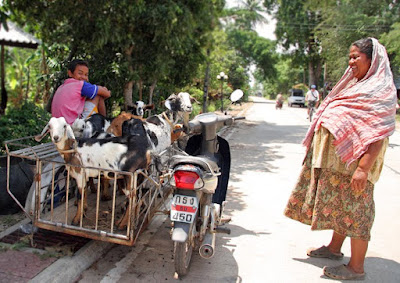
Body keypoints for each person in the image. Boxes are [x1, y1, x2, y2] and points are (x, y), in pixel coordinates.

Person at [284, 38, 397, 280]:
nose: (351, 61)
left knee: (357, 212)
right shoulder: (355, 85)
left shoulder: (380, 91)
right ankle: (334, 249)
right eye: (350, 56)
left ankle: (356, 268)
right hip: (337, 166)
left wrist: (363, 169)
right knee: (342, 208)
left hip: (356, 167)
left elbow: (377, 134)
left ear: (372, 59)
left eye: (356, 57)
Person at [51, 59, 111, 125]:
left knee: (94, 93)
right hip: (72, 126)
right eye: (80, 73)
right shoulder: (80, 85)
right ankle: (105, 125)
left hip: (58, 127)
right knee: (98, 95)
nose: (84, 77)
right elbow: (107, 94)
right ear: (70, 73)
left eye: (86, 74)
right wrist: (104, 89)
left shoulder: (62, 86)